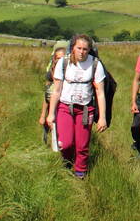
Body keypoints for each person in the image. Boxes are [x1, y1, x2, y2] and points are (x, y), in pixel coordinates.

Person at [46, 34, 108, 178]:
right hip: (65, 107)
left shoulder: (96, 64)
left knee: (82, 144)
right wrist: (51, 113)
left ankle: (81, 172)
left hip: (85, 109)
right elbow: (56, 90)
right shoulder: (63, 63)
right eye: (79, 48)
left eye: (85, 49)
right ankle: (67, 161)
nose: (82, 52)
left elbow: (100, 93)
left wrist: (102, 118)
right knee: (66, 143)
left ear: (89, 50)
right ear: (73, 48)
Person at [39, 40, 68, 152]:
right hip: (53, 104)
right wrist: (43, 115)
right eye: (58, 58)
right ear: (54, 59)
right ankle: (54, 150)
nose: (60, 61)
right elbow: (47, 95)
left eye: (63, 58)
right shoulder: (51, 72)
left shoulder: (71, 72)